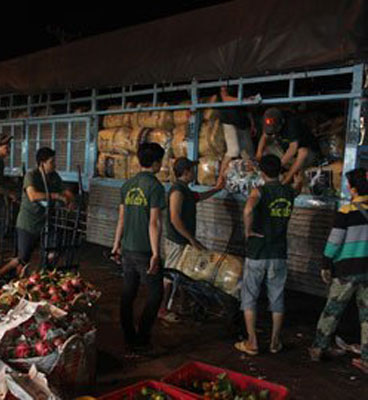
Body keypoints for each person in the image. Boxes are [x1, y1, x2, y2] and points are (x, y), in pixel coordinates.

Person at [235, 155, 302, 355]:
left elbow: (248, 209)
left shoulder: (260, 191)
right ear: (280, 170)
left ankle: (252, 342)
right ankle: (274, 342)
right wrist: (298, 178)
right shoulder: (288, 192)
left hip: (258, 252)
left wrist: (248, 231)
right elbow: (297, 187)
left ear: (262, 172)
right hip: (279, 253)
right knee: (277, 297)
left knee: (250, 296)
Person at [309, 168, 368, 374]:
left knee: (332, 310)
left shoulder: (347, 211)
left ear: (352, 188)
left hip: (347, 270)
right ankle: (367, 359)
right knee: (367, 316)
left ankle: (319, 348)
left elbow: (335, 241)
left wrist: (326, 262)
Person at [110, 143, 166, 356]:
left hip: (127, 249)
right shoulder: (155, 187)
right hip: (144, 250)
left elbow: (121, 218)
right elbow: (154, 223)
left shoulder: (127, 185)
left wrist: (116, 245)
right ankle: (142, 338)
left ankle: (129, 337)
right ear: (156, 162)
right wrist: (155, 254)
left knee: (128, 293)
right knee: (155, 293)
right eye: (160, 160)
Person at [158, 157, 225, 323]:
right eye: (192, 170)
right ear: (186, 172)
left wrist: (216, 189)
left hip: (182, 240)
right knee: (170, 275)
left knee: (183, 272)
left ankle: (183, 304)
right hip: (177, 241)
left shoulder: (185, 190)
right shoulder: (177, 191)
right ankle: (162, 309)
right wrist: (191, 239)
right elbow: (174, 218)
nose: (195, 172)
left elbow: (199, 197)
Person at [0, 147, 73, 277]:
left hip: (46, 223)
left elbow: (66, 191)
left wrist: (71, 200)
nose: (54, 165)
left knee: (54, 251)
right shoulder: (31, 175)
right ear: (42, 163)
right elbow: (32, 195)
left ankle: (41, 276)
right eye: (52, 162)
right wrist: (56, 196)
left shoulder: (54, 176)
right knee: (23, 257)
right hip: (28, 223)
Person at [256, 107, 321, 185]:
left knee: (303, 152)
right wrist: (258, 155)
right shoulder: (269, 121)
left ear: (282, 122)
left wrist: (278, 165)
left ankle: (287, 178)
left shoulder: (292, 124)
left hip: (307, 156)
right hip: (286, 155)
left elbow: (293, 149)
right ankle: (270, 172)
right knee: (266, 149)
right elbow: (264, 137)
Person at [217, 86, 256, 178]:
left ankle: (250, 177)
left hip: (242, 122)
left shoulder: (242, 87)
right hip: (229, 120)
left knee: (249, 152)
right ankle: (220, 178)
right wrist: (243, 100)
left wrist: (252, 124)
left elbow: (247, 110)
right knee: (234, 150)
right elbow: (225, 98)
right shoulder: (225, 82)